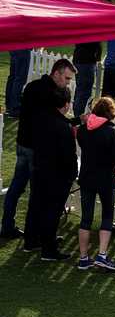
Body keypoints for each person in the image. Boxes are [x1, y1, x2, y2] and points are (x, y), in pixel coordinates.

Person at [2, 59, 77, 241]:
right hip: (38, 148)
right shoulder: (51, 94)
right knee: (38, 194)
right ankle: (38, 235)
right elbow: (54, 122)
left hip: (22, 142)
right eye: (67, 79)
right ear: (57, 73)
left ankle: (7, 225)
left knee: (17, 187)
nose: (67, 83)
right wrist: (77, 121)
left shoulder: (32, 86)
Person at [76, 97, 115, 271]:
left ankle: (83, 258)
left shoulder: (83, 130)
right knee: (106, 217)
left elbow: (83, 144)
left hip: (87, 177)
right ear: (110, 113)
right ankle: (102, 255)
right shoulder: (111, 133)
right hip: (105, 179)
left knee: (86, 219)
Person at [30, 87, 78, 261]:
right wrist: (73, 172)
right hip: (57, 175)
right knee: (52, 212)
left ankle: (42, 240)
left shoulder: (42, 119)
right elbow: (68, 155)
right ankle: (48, 250)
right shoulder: (63, 127)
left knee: (41, 208)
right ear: (66, 104)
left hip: (40, 169)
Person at [73, 41, 102, 119]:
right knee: (84, 92)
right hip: (87, 61)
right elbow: (98, 43)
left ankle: (77, 115)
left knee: (80, 89)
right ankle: (79, 117)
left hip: (78, 59)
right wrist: (98, 58)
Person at [4, 49, 31, 119]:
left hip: (14, 47)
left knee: (13, 77)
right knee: (20, 78)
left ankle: (10, 106)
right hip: (22, 47)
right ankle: (15, 109)